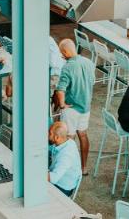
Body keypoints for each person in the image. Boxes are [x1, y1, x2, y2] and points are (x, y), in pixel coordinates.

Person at [54, 39, 95, 174]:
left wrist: (62, 104)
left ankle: (69, 169)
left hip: (71, 108)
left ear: (65, 52)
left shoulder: (68, 66)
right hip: (85, 106)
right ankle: (84, 167)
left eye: (62, 53)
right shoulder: (89, 62)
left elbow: (61, 89)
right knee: (83, 134)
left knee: (68, 139)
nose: (62, 56)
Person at [48, 121, 82, 197]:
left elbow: (53, 178)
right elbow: (50, 148)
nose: (47, 135)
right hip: (58, 177)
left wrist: (35, 173)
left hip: (62, 187)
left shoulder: (66, 155)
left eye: (50, 133)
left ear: (57, 137)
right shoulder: (67, 141)